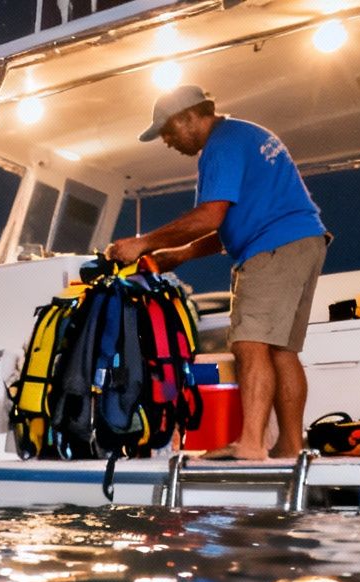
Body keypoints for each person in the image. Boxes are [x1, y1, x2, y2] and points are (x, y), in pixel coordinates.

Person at [104, 85, 328, 460]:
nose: (168, 141)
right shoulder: (245, 134)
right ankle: (290, 445)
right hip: (304, 240)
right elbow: (227, 227)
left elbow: (210, 215)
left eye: (169, 131)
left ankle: (252, 445)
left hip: (273, 248)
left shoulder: (221, 145)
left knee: (248, 344)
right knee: (282, 351)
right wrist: (179, 254)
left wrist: (144, 243)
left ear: (189, 117)